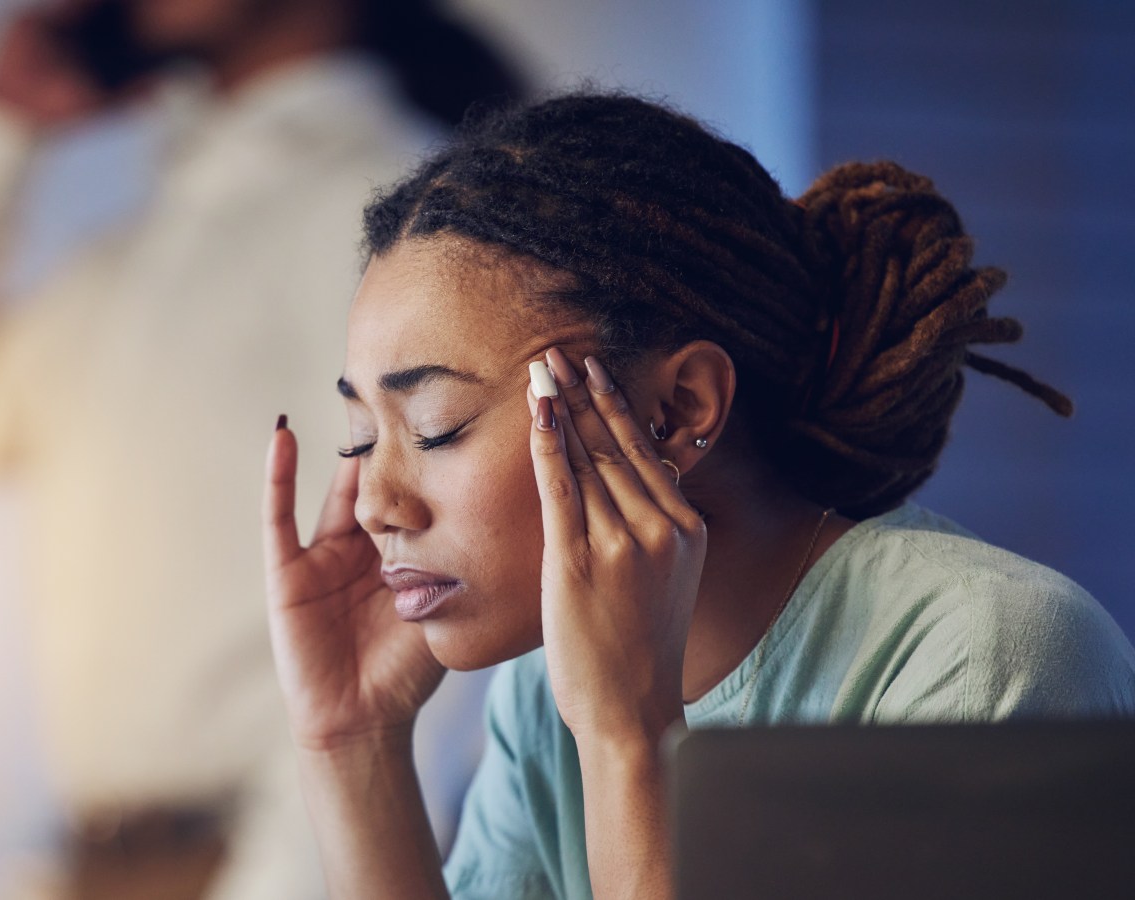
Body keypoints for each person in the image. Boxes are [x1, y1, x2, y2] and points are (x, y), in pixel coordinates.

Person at [261, 92, 1135, 899]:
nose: (377, 502)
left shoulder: (992, 661)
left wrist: (629, 740)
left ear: (677, 411)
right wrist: (353, 745)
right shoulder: (546, 695)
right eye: (361, 437)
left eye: (437, 425)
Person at [0, 0, 523, 897]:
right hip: (93, 861)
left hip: (259, 863)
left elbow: (434, 571)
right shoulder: (135, 253)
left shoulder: (380, 201)